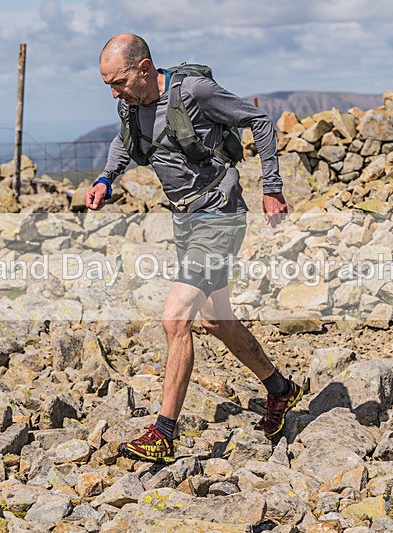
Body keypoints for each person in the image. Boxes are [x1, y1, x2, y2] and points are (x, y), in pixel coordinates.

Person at [84, 34, 302, 464]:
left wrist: (272, 187)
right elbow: (124, 140)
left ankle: (163, 433)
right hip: (185, 220)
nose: (114, 93)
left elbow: (259, 120)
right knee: (217, 321)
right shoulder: (131, 102)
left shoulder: (195, 92)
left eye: (119, 82)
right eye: (108, 85)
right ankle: (280, 389)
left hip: (219, 215)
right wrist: (106, 179)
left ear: (144, 68)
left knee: (174, 318)